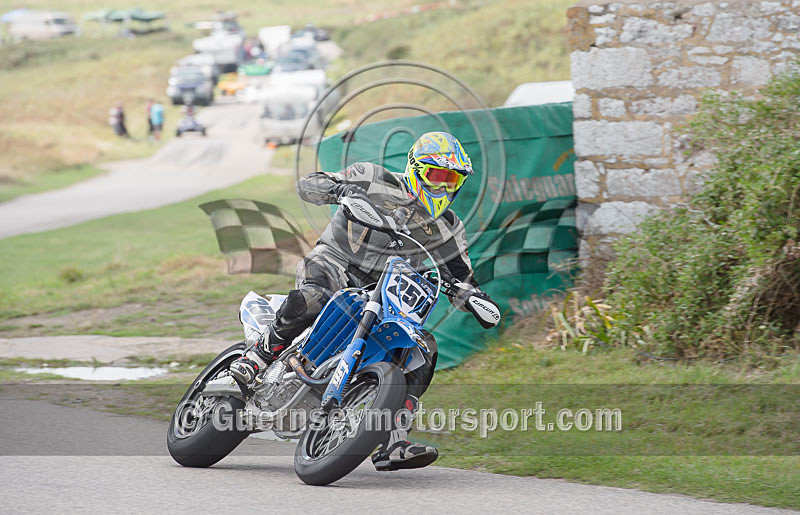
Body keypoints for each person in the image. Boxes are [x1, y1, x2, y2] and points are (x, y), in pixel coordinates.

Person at [230, 131, 501, 471]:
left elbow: (461, 275)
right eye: (437, 175)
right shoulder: (373, 177)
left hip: (384, 293)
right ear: (416, 169)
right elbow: (309, 184)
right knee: (316, 296)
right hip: (335, 264)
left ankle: (393, 440)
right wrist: (340, 191)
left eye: (452, 179)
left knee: (423, 348)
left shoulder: (448, 227)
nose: (443, 186)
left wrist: (473, 296)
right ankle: (257, 357)